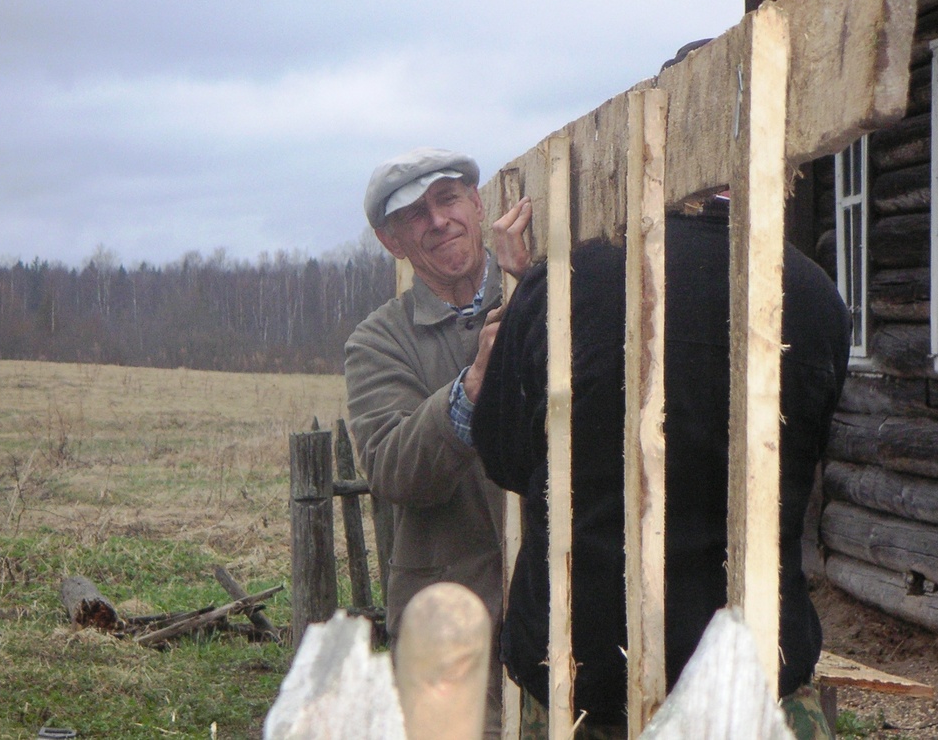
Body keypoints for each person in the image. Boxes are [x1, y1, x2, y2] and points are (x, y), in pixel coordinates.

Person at [470, 200, 850, 739]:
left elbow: (505, 458)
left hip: (585, 679)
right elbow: (809, 458)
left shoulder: (565, 282)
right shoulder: (813, 293)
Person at [344, 146, 531, 739]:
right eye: (415, 215)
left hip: (554, 615)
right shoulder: (379, 342)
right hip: (445, 632)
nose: (439, 220)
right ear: (391, 241)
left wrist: (530, 295)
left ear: (477, 205)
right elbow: (393, 468)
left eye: (448, 199)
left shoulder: (537, 292)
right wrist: (471, 387)